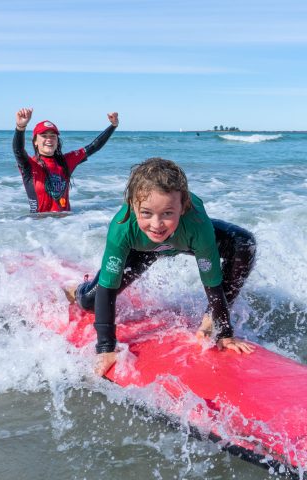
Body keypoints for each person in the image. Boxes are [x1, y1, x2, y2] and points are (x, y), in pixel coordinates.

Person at [72, 157, 257, 376]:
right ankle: (75, 289)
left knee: (243, 244)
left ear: (183, 206)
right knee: (89, 302)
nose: (157, 224)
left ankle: (210, 318)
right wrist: (106, 347)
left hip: (183, 237)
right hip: (142, 250)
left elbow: (212, 281)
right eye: (146, 213)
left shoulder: (197, 225)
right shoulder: (122, 228)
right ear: (132, 205)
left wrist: (224, 331)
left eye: (167, 213)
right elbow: (107, 288)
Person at [12, 108, 119, 213]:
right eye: (44, 136)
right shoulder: (30, 165)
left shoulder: (66, 161)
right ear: (35, 141)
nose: (49, 139)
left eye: (53, 136)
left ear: (57, 141)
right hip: (39, 225)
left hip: (65, 225)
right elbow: (18, 150)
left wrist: (113, 126)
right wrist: (20, 127)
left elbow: (93, 147)